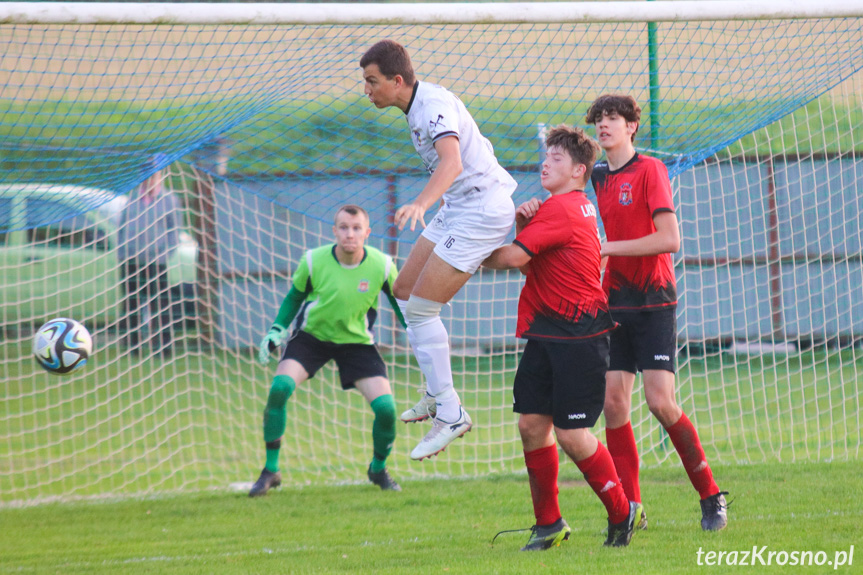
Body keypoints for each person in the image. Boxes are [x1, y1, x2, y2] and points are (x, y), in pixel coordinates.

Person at [484, 125, 642, 550]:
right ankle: (549, 523)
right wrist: (522, 223)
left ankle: (622, 510)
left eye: (555, 158)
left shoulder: (563, 208)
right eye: (545, 156)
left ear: (578, 171)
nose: (545, 162)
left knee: (573, 435)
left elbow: (513, 257)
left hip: (579, 338)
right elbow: (528, 265)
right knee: (532, 425)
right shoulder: (565, 206)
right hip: (548, 334)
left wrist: (462, 248)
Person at [360, 40, 517, 460]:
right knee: (405, 290)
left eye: (372, 82)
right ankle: (435, 392)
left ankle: (451, 412)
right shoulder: (416, 107)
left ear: (397, 81)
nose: (366, 90)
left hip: (481, 209)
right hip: (461, 206)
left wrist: (419, 204)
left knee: (421, 310)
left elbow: (452, 164)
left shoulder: (431, 106)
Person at [586, 94, 728, 531]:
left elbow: (669, 238)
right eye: (599, 119)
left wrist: (607, 247)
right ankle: (631, 509)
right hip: (615, 302)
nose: (604, 125)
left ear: (632, 127)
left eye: (613, 118)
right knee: (613, 403)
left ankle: (710, 494)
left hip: (654, 301)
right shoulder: (596, 175)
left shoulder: (651, 170)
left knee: (660, 402)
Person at [250, 205, 406, 496]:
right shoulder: (313, 261)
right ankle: (271, 470)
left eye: (356, 228)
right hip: (313, 338)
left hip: (357, 343)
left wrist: (419, 332)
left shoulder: (382, 265)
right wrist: (276, 331)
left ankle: (378, 468)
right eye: (344, 227)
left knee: (386, 409)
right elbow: (294, 297)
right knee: (279, 388)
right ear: (334, 231)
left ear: (367, 233)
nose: (350, 233)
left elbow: (401, 303)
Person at [117, 154, 180, 356]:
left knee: (159, 305)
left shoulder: (169, 199)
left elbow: (174, 232)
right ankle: (133, 346)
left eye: (153, 175)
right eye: (146, 175)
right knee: (132, 304)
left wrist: (165, 255)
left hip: (157, 262)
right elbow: (122, 227)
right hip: (132, 261)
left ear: (160, 176)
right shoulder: (133, 198)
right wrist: (123, 253)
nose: (149, 179)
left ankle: (163, 347)